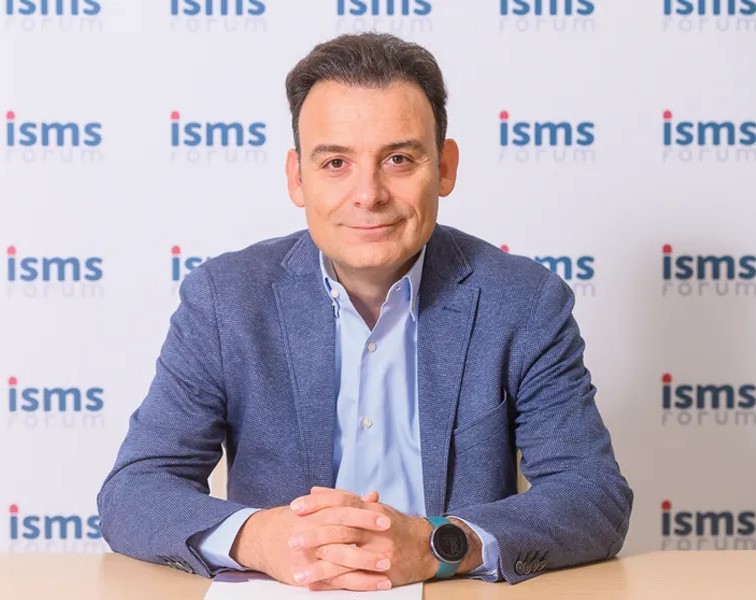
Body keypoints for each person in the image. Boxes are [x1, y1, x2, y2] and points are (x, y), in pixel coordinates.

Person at [97, 32, 632, 592]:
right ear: (296, 177)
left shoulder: (523, 300)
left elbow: (592, 493)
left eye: (398, 159)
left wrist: (436, 544)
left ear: (445, 168)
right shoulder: (224, 300)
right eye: (336, 162)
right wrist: (260, 537)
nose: (368, 194)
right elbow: (136, 488)